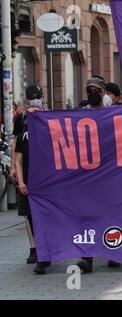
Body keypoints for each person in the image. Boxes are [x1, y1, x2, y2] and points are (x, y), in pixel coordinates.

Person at [76, 78, 121, 273]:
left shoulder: (114, 114)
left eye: (96, 90)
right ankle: (88, 257)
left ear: (103, 92)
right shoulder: (80, 115)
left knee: (111, 215)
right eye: (89, 90)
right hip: (88, 176)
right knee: (88, 216)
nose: (92, 93)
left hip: (110, 174)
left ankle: (114, 253)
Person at [11, 84, 44, 267]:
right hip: (27, 169)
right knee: (28, 212)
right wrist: (13, 167)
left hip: (44, 174)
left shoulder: (48, 115)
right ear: (27, 98)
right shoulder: (22, 117)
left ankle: (44, 247)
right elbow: (16, 141)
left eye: (39, 95)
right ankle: (33, 248)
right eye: (33, 96)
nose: (36, 99)